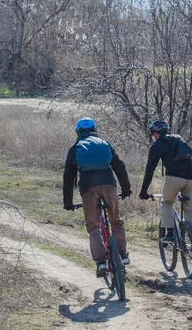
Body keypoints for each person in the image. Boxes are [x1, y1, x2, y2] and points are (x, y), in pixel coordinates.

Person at [63, 117, 132, 278]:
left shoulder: (75, 148)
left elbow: (68, 177)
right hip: (109, 185)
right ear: (95, 129)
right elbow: (119, 166)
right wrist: (126, 189)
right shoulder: (104, 143)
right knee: (116, 221)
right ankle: (123, 255)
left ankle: (101, 262)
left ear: (78, 132)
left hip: (88, 188)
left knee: (93, 227)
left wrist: (68, 202)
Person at [138, 119, 192, 243]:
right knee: (191, 210)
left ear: (156, 133)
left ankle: (170, 233)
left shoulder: (157, 145)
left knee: (167, 202)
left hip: (174, 177)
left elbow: (149, 171)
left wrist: (143, 192)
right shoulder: (178, 139)